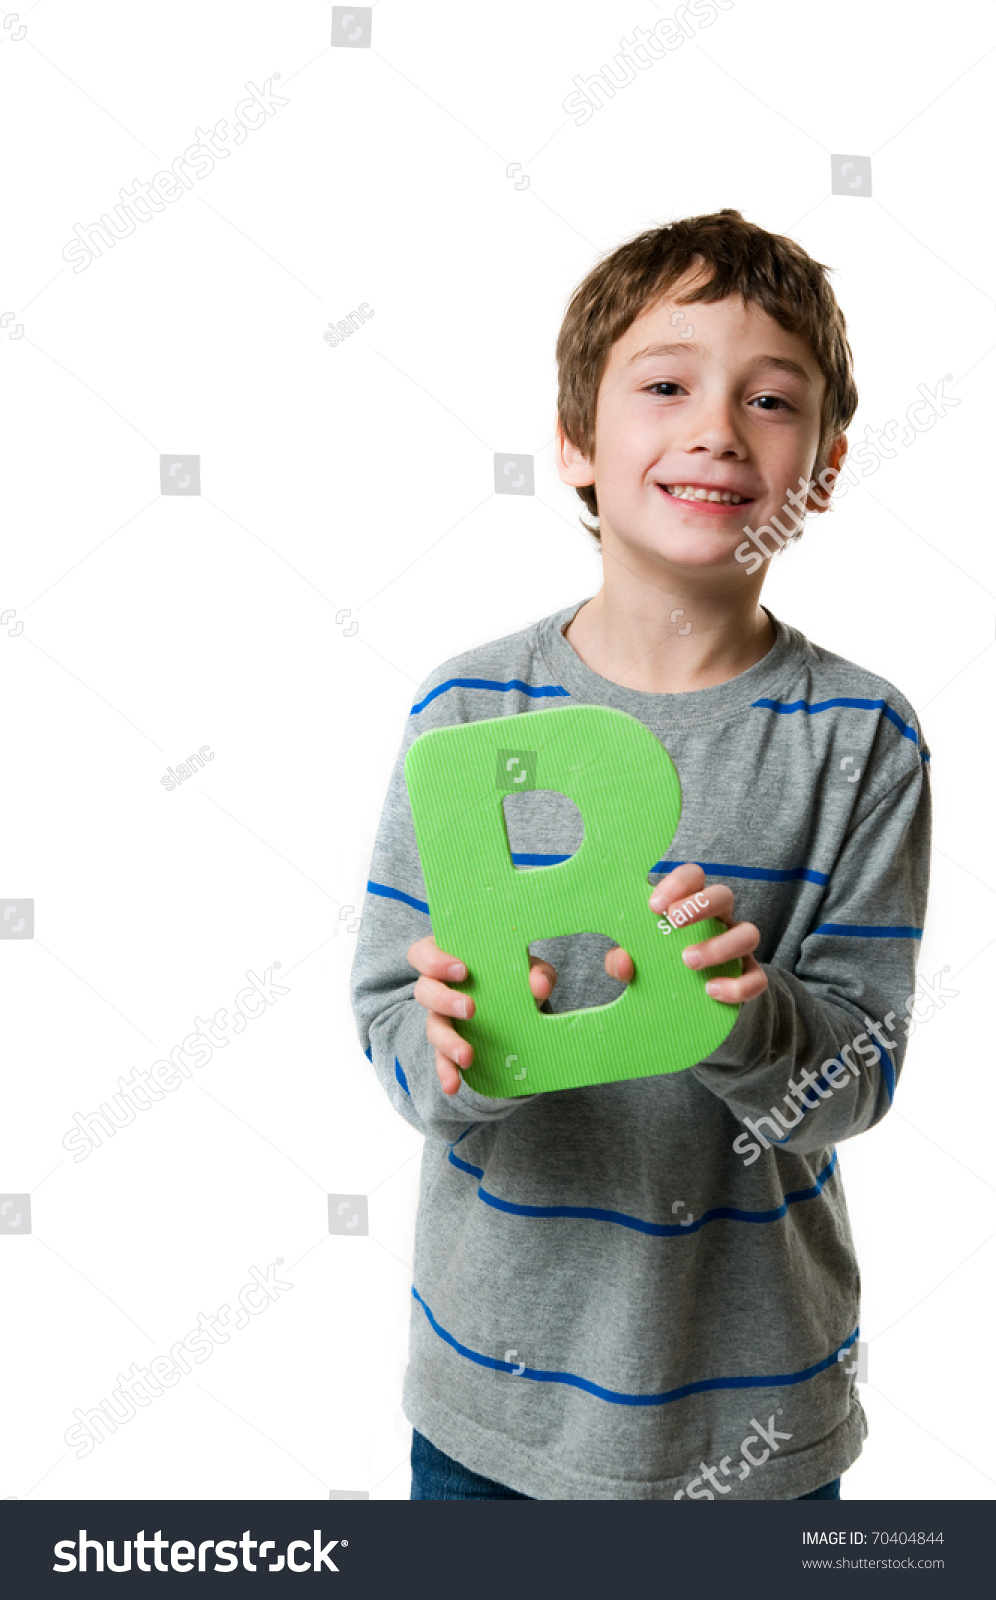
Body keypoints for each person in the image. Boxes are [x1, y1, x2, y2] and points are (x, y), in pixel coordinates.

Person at [349, 209, 931, 1500]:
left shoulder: (864, 741)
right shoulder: (468, 713)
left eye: (770, 399)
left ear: (825, 467)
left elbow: (864, 1069)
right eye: (665, 384)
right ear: (575, 444)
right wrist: (443, 1051)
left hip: (757, 1412)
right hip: (492, 1409)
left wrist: (747, 1016)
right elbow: (389, 1005)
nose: (717, 426)